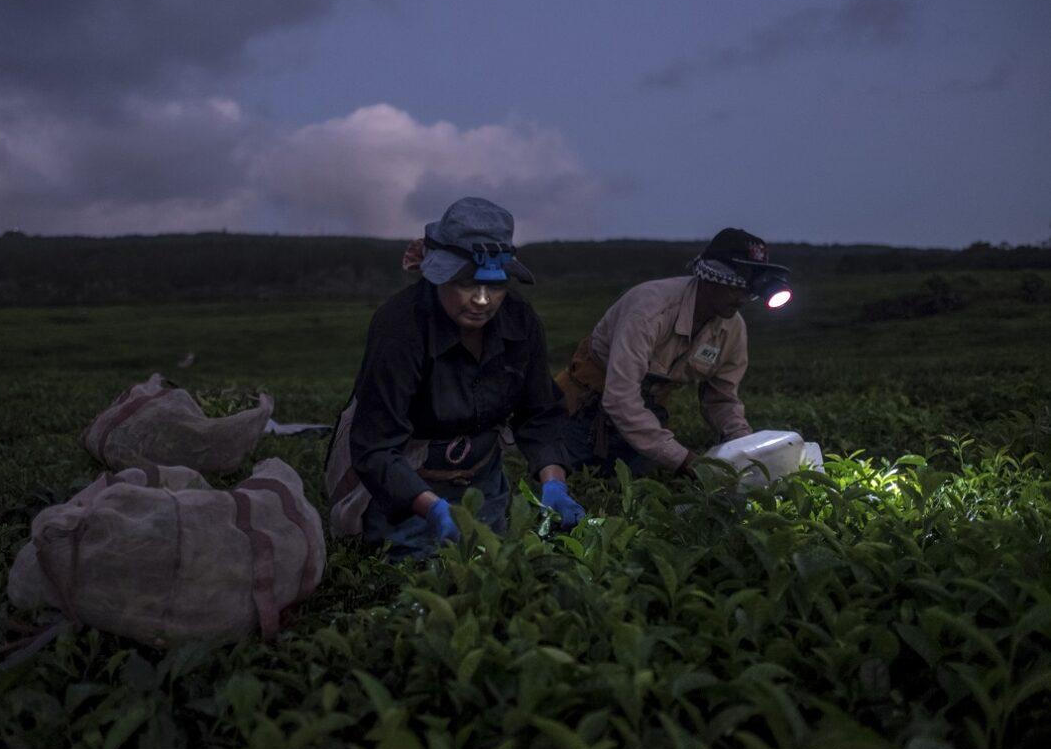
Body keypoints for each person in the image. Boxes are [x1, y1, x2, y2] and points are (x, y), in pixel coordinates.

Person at [332, 197, 585, 561]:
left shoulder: (520, 322)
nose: (482, 300)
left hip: (481, 484)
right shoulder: (400, 327)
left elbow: (538, 415)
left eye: (495, 286)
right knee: (426, 571)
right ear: (439, 275)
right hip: (403, 488)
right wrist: (432, 508)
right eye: (466, 283)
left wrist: (554, 482)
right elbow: (376, 447)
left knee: (499, 566)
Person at [557, 228, 792, 478]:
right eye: (737, 288)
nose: (743, 299)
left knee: (634, 496)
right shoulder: (650, 310)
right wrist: (684, 460)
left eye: (749, 292)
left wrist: (745, 447)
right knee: (574, 487)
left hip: (646, 417)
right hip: (583, 411)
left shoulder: (732, 328)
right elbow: (620, 398)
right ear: (712, 278)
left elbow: (722, 399)